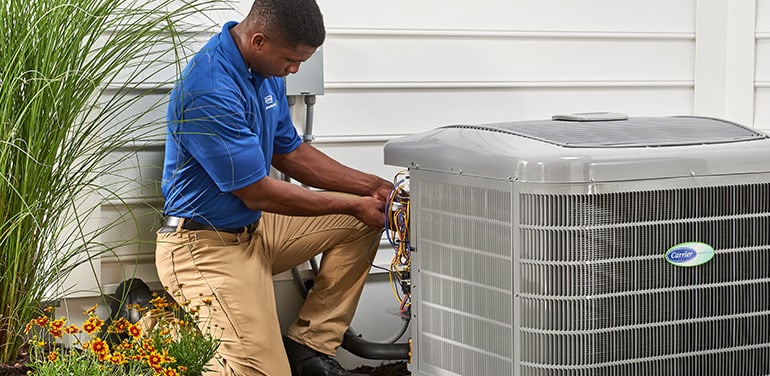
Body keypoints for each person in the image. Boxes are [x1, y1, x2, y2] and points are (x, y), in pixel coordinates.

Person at [154, 0, 393, 374]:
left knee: (367, 217)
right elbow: (257, 191)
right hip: (204, 247)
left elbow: (291, 152)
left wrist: (373, 187)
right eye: (291, 60)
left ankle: (309, 348)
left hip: (256, 230)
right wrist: (349, 204)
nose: (295, 70)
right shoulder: (210, 88)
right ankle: (171, 336)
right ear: (259, 40)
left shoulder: (264, 74)